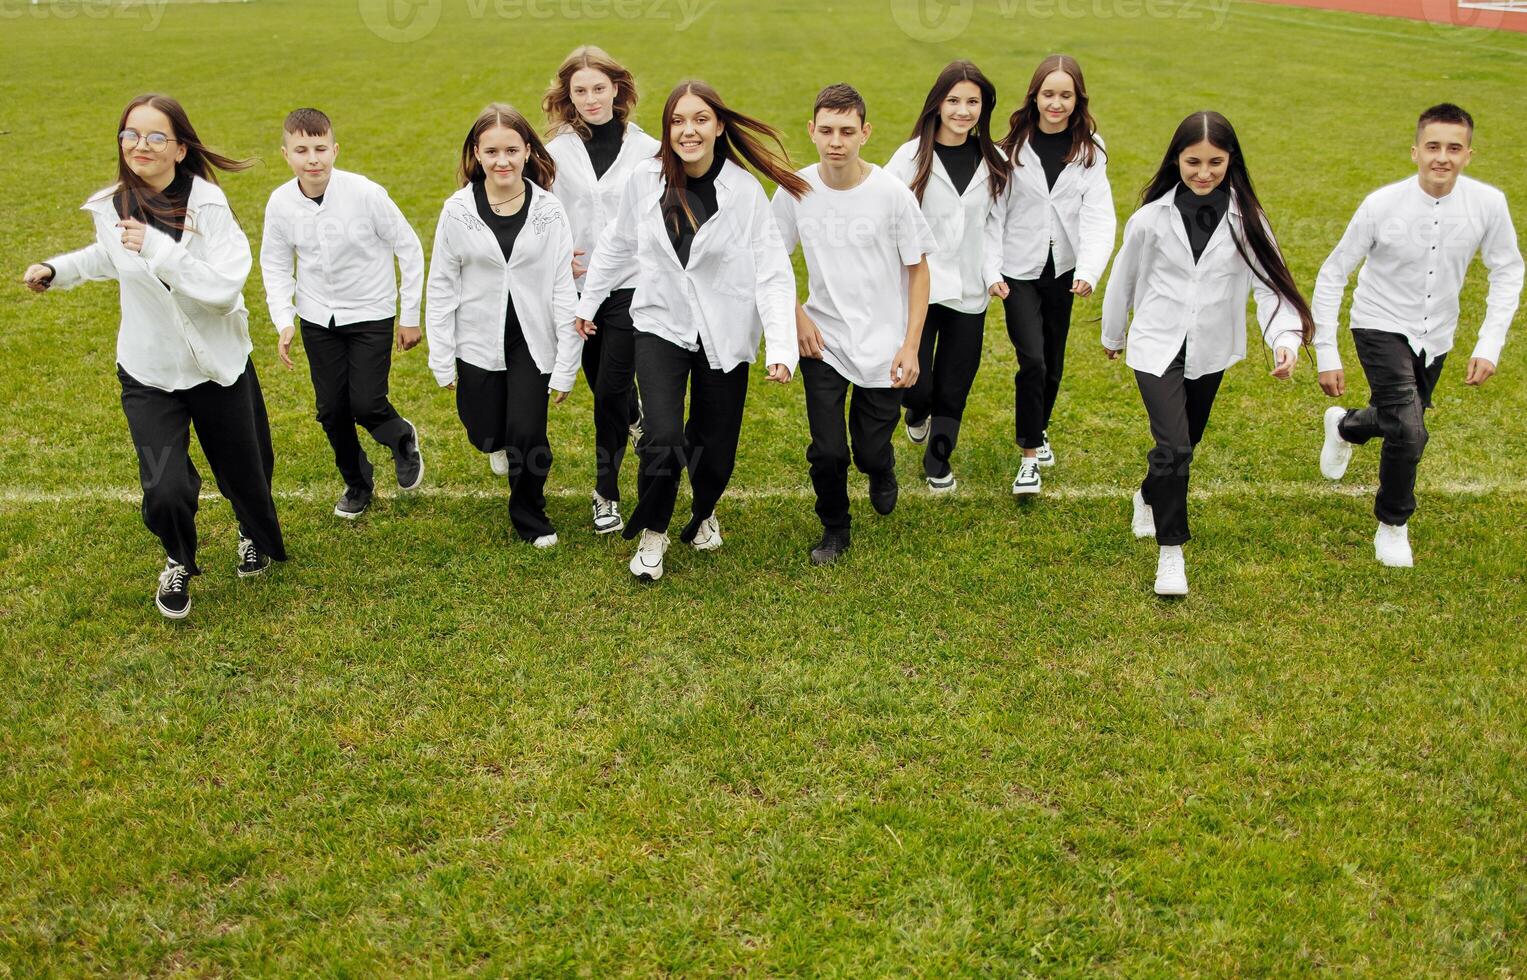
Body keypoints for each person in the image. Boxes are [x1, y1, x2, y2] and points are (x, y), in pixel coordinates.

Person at [23, 93, 286, 620]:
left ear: (181, 149)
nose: (139, 145)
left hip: (217, 366)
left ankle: (249, 531)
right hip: (149, 371)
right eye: (130, 134)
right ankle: (178, 560)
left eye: (155, 136)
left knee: (247, 473)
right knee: (164, 486)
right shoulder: (110, 206)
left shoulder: (209, 207)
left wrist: (158, 248)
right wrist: (59, 269)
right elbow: (111, 255)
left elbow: (224, 286)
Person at [576, 80, 806, 581]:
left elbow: (771, 271)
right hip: (661, 322)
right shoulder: (645, 179)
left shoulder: (743, 192)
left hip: (723, 333)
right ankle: (654, 534)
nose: (688, 130)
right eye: (678, 121)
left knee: (715, 447)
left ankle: (704, 511)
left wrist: (781, 347)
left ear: (719, 126)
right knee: (661, 436)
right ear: (667, 129)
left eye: (700, 119)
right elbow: (618, 242)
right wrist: (588, 301)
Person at [1101, 110, 1311, 596]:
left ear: (1230, 160)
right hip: (1156, 345)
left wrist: (1284, 341)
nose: (1203, 173)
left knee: (1184, 444)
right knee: (1174, 445)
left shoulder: (1248, 219)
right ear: (1176, 159)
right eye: (1192, 161)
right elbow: (1124, 280)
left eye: (1214, 162)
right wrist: (1114, 336)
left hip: (1211, 349)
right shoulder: (1149, 220)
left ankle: (1148, 494)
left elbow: (1272, 286)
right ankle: (1171, 554)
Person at [1313, 103, 1522, 568]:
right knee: (1409, 431)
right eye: (1432, 147)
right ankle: (1393, 524)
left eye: (1453, 148)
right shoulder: (1382, 204)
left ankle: (1345, 426)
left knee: (1395, 419)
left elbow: (1508, 270)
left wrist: (1489, 344)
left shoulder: (1489, 204)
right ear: (1415, 151)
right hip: (1378, 322)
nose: (1441, 157)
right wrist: (1326, 350)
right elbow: (1333, 273)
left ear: (1469, 154)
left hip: (1437, 335)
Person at [774, 83, 935, 564]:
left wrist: (910, 346)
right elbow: (768, 261)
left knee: (866, 450)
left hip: (884, 346)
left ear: (865, 133)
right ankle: (835, 528)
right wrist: (797, 315)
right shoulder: (795, 189)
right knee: (827, 451)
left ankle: (881, 467)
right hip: (823, 340)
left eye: (847, 131)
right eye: (826, 131)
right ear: (812, 131)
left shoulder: (891, 194)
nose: (836, 141)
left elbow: (919, 268)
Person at [424, 104, 582, 547]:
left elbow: (561, 288)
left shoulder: (549, 210)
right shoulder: (456, 210)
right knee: (485, 429)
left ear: (528, 151)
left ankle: (530, 513)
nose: (502, 161)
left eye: (512, 150)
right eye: (491, 151)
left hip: (531, 338)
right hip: (476, 337)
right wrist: (442, 358)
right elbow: (441, 284)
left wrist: (566, 364)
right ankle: (496, 443)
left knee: (528, 432)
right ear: (477, 153)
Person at [260, 107, 425, 520]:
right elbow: (275, 264)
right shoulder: (280, 203)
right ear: (286, 154)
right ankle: (356, 482)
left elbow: (409, 247)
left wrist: (410, 314)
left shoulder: (365, 193)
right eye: (301, 150)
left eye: (320, 148)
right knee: (331, 410)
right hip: (319, 318)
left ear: (335, 150)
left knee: (367, 403)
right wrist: (284, 319)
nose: (312, 158)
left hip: (371, 312)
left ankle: (401, 437)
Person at [543, 45, 661, 534]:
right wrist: (553, 255)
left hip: (630, 283)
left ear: (618, 88)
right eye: (580, 91)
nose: (591, 99)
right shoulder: (553, 152)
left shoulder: (648, 149)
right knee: (603, 383)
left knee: (610, 387)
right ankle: (633, 416)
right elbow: (537, 209)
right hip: (574, 284)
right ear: (568, 97)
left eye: (598, 88)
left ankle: (605, 491)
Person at [884, 60, 1008, 495]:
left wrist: (992, 274)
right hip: (920, 285)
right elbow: (887, 217)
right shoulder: (909, 156)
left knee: (956, 382)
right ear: (937, 103)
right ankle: (916, 412)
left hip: (971, 291)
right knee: (918, 383)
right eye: (954, 100)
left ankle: (938, 458)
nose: (962, 110)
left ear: (983, 108)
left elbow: (996, 225)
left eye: (972, 102)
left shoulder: (996, 161)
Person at [995, 54, 1116, 495]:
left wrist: (1088, 269)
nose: (1056, 103)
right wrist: (992, 269)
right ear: (1035, 95)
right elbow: (993, 214)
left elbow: (1100, 215)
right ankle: (1028, 457)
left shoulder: (1091, 150)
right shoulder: (1009, 147)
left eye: (1066, 95)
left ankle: (1039, 427)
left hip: (1063, 272)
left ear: (1077, 99)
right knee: (1033, 359)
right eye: (1049, 94)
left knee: (1053, 364)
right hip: (1017, 272)